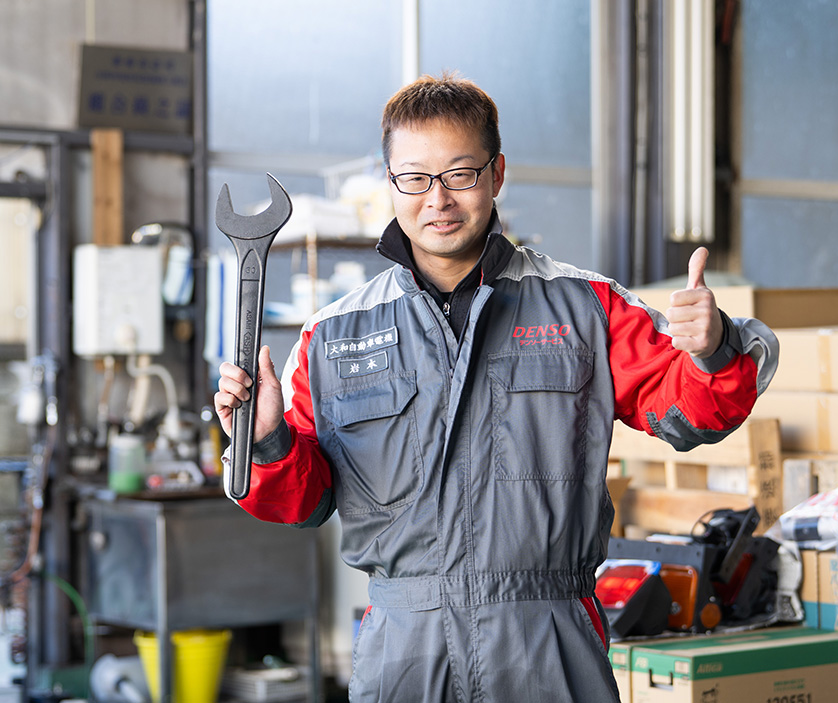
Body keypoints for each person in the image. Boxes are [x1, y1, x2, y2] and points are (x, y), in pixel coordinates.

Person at [214, 72, 779, 703]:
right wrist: (267, 439)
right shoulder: (332, 335)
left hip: (547, 643)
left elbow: (693, 415)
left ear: (496, 174)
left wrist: (711, 350)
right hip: (404, 652)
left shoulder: (585, 308)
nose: (438, 199)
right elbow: (304, 503)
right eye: (415, 178)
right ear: (391, 183)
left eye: (460, 174)